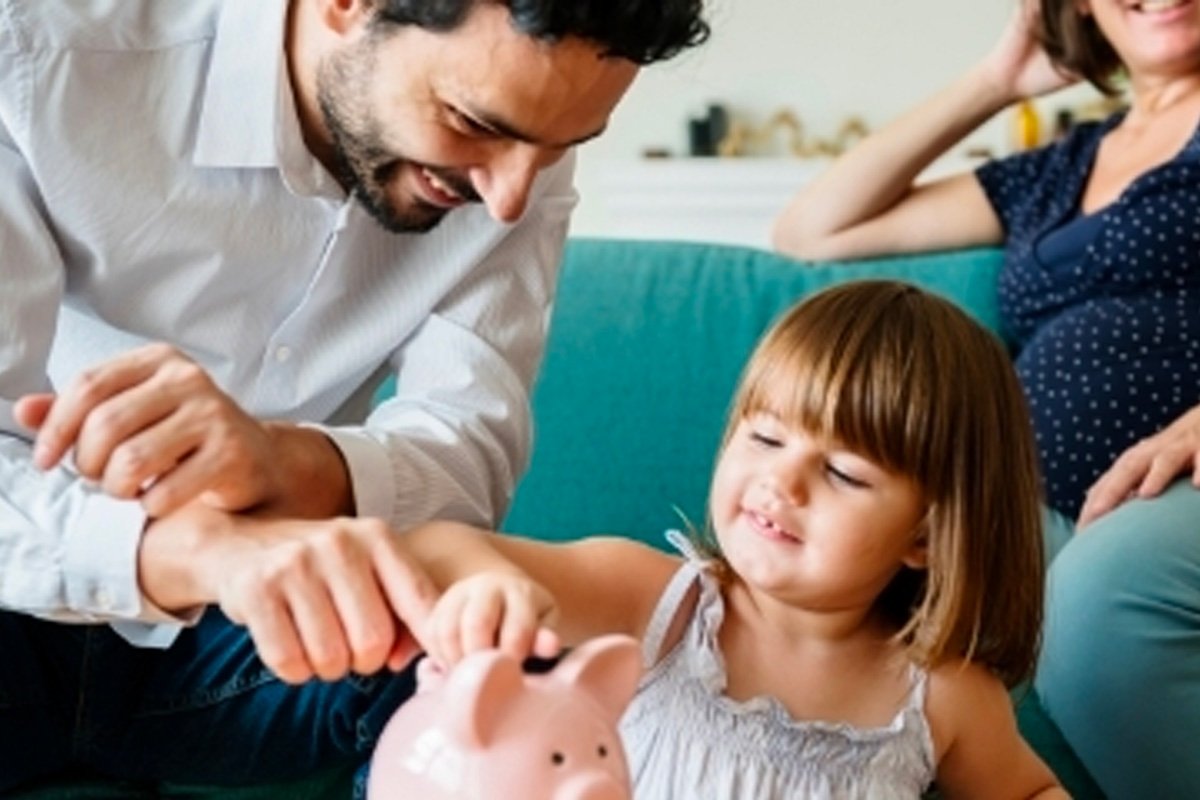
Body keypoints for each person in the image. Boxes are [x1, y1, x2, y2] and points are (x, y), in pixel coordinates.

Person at [0, 0, 708, 791]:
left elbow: (467, 454)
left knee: (478, 664)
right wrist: (203, 552)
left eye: (556, 151)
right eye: (473, 123)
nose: (509, 199)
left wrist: (281, 459)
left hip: (249, 649)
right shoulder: (36, 52)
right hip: (24, 599)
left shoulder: (519, 157)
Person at [400, 280, 1067, 798]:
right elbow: (435, 551)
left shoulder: (941, 694)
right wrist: (491, 585)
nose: (782, 481)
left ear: (925, 536)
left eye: (842, 473)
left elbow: (1029, 790)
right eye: (766, 438)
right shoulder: (658, 603)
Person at [771, 1, 1200, 795]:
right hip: (1038, 510)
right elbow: (811, 229)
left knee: (1104, 597)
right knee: (854, 568)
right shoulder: (1060, 168)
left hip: (1177, 491)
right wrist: (995, 81)